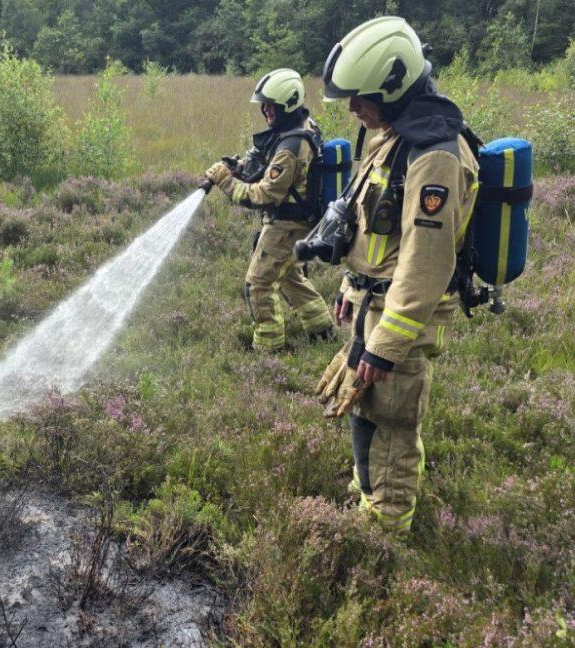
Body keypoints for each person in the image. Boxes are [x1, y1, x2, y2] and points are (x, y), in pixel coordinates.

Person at [314, 16, 480, 533]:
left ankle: (384, 530)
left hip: (401, 314)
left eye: (359, 97)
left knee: (390, 420)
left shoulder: (435, 155)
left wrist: (389, 342)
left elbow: (427, 260)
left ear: (393, 86)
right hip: (375, 301)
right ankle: (365, 493)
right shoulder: (392, 135)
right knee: (364, 408)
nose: (351, 109)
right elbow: (373, 224)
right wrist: (350, 284)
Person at [203, 68, 334, 353]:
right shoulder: (301, 127)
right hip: (302, 221)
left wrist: (227, 182)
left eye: (271, 105)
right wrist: (240, 169)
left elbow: (264, 194)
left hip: (288, 226)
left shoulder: (290, 147)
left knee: (259, 283)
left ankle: (268, 347)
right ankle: (321, 327)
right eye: (264, 105)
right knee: (289, 276)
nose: (266, 111)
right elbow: (269, 169)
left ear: (288, 103)